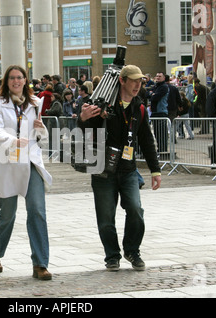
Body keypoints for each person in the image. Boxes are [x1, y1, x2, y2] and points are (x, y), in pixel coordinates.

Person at [77, 65, 161, 271]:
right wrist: (83, 119)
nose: (137, 85)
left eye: (140, 81)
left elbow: (147, 140)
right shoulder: (103, 104)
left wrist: (155, 170)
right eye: (133, 80)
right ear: (122, 81)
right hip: (103, 170)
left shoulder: (139, 107)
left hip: (128, 169)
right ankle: (112, 256)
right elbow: (86, 133)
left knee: (135, 209)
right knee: (106, 218)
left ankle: (132, 250)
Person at [0, 65, 53, 280]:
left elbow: (41, 136)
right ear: (6, 81)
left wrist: (41, 128)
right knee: (8, 214)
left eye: (20, 78)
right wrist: (14, 140)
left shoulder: (35, 103)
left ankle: (40, 264)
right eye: (12, 78)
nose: (16, 81)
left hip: (30, 160)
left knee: (37, 210)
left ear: (25, 80)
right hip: (7, 161)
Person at [148, 72, 169, 153]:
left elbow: (155, 97)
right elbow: (148, 94)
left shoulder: (164, 87)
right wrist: (152, 94)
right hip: (154, 112)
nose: (157, 77)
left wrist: (152, 95)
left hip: (161, 112)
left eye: (160, 76)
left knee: (162, 132)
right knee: (156, 132)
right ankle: (160, 149)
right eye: (156, 76)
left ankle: (163, 149)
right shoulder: (155, 86)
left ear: (164, 78)